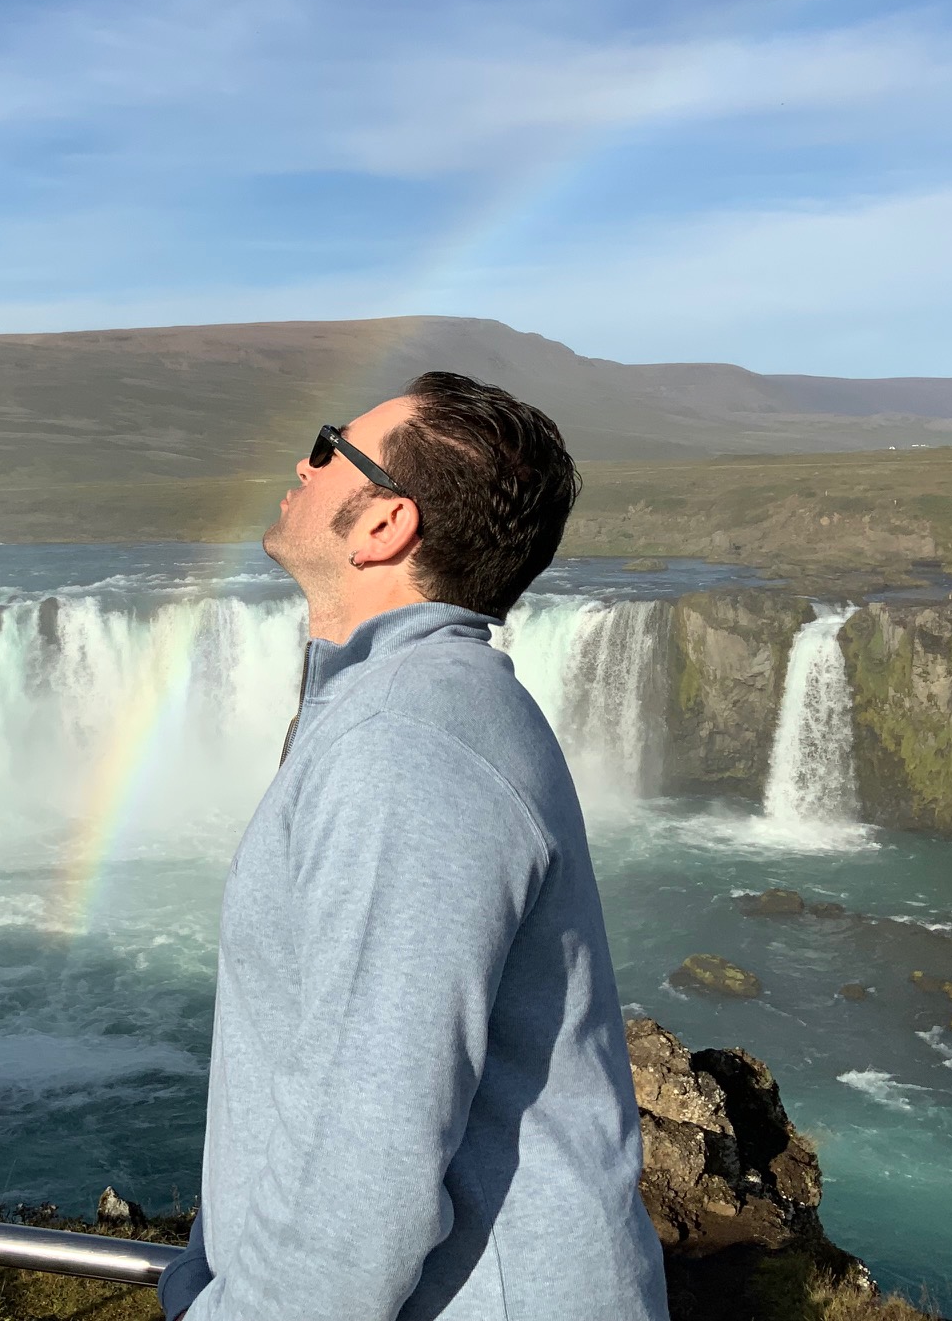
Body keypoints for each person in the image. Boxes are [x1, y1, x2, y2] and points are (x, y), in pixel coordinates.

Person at [159, 372, 665, 1321]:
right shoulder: (412, 709)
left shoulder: (408, 740)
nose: (298, 466)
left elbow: (369, 1148)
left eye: (326, 447)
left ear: (385, 525)